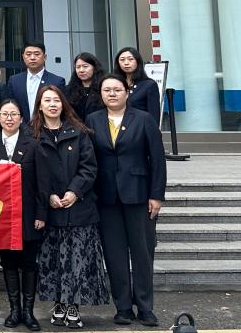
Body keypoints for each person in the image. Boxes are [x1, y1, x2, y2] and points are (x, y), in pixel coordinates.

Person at [86, 73, 167, 327]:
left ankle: (145, 307)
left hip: (139, 195)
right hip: (106, 197)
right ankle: (122, 307)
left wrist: (157, 195)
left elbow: (157, 159)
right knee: (114, 255)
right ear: (101, 94)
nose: (112, 94)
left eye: (117, 89)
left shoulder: (143, 119)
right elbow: (89, 159)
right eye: (107, 90)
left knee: (142, 253)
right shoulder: (93, 120)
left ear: (126, 92)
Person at [31, 85, 108, 329]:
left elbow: (89, 167)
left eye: (56, 100)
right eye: (47, 100)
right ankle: (58, 304)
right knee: (53, 261)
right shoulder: (32, 135)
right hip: (49, 209)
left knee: (78, 260)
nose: (52, 105)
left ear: (63, 104)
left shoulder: (79, 131)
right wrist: (49, 196)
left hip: (79, 207)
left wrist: (74, 191)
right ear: (39, 106)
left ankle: (74, 305)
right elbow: (32, 172)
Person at [0, 98, 42, 331]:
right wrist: (0, 164)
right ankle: (14, 310)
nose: (9, 118)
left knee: (29, 262)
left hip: (28, 213)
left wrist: (41, 213)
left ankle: (28, 311)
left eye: (14, 114)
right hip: (1, 214)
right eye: (5, 114)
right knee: (8, 262)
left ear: (21, 118)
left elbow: (42, 182)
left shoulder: (33, 144)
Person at [8, 41, 65, 120]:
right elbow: (10, 106)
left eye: (37, 54)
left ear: (45, 57)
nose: (32, 57)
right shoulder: (14, 81)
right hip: (21, 126)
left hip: (47, 125)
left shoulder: (57, 81)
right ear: (23, 57)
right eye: (28, 54)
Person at [111, 47, 161, 121]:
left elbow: (154, 115)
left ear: (138, 61)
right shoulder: (113, 83)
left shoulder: (149, 85)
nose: (126, 63)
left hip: (139, 126)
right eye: (122, 60)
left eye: (130, 59)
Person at [66, 52, 104, 121]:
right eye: (78, 67)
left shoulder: (103, 88)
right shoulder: (68, 89)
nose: (81, 70)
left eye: (85, 66)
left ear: (94, 68)